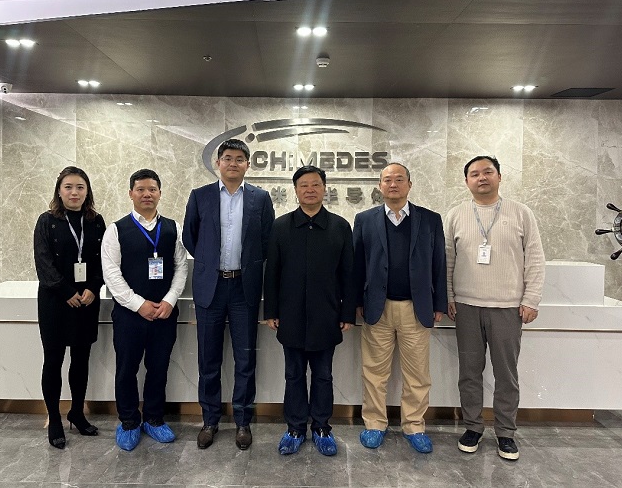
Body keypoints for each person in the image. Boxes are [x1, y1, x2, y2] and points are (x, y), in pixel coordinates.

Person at [445, 155, 544, 461]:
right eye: (474, 174)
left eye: (488, 172)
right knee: (469, 373)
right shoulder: (456, 215)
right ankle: (472, 427)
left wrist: (531, 299)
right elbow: (447, 259)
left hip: (508, 308)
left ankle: (506, 433)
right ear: (466, 181)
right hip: (466, 307)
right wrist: (448, 296)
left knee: (506, 375)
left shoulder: (521, 213)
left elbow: (535, 258)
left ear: (499, 176)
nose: (481, 178)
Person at [182, 138, 275, 450]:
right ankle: (210, 420)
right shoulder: (200, 196)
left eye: (239, 159)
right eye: (227, 158)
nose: (233, 163)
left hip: (243, 288)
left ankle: (243, 421)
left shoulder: (260, 198)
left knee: (245, 359)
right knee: (208, 359)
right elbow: (190, 237)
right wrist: (209, 261)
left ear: (247, 164)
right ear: (218, 163)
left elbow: (267, 240)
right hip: (210, 286)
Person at [352, 162, 446, 454]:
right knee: (374, 372)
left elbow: (439, 264)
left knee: (417, 374)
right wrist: (356, 301)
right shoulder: (365, 219)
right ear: (380, 186)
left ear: (409, 184)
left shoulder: (430, 220)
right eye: (387, 180)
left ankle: (414, 426)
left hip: (416, 309)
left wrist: (439, 303)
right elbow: (357, 264)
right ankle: (374, 424)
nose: (393, 184)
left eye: (399, 179)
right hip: (376, 308)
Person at [264, 165, 355, 456]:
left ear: (324, 188)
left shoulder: (340, 226)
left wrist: (347, 313)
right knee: (293, 375)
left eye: (315, 184)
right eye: (304, 185)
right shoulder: (281, 226)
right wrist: (271, 310)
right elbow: (272, 273)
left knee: (323, 375)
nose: (310, 190)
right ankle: (294, 428)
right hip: (290, 316)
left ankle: (322, 427)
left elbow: (348, 273)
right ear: (295, 190)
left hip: (327, 315)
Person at [101, 169, 188, 451]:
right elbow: (111, 274)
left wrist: (170, 300)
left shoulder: (173, 228)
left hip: (164, 313)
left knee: (158, 368)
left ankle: (154, 419)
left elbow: (181, 267)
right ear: (131, 194)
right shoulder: (117, 229)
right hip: (129, 314)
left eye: (152, 189)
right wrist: (138, 305)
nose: (146, 194)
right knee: (127, 369)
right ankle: (128, 421)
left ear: (160, 193)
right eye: (140, 189)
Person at [34, 166, 106, 449]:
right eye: (68, 187)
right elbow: (43, 262)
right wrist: (66, 292)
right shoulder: (46, 221)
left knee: (81, 359)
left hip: (86, 300)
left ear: (87, 192)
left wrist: (94, 287)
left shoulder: (96, 221)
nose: (74, 192)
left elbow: (104, 260)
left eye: (80, 187)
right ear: (59, 191)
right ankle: (54, 418)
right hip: (55, 301)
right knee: (53, 360)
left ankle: (77, 412)